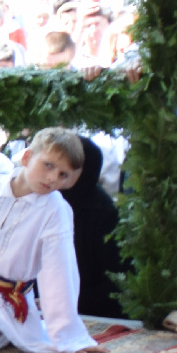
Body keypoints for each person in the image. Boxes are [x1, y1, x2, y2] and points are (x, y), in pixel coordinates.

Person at [0, 128, 96, 353]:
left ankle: (6, 330)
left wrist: (69, 336)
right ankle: (4, 334)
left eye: (63, 175)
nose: (53, 178)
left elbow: (59, 272)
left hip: (4, 300)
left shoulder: (56, 211)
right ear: (27, 157)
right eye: (48, 165)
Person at [64, 135, 125, 318]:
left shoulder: (101, 212)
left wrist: (67, 301)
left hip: (92, 310)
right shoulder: (47, 199)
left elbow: (113, 283)